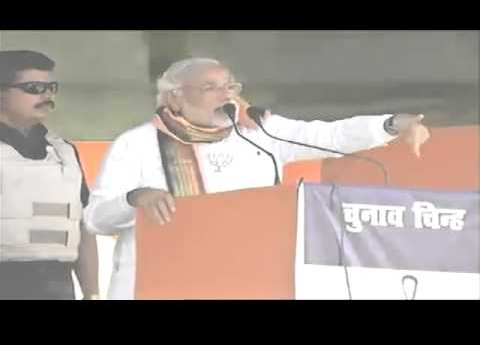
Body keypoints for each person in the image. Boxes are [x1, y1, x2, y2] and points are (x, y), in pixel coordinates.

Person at [83, 57, 430, 300]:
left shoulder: (259, 132)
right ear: (176, 96)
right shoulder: (137, 143)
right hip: (162, 285)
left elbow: (331, 136)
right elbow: (96, 218)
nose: (226, 96)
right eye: (210, 87)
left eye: (229, 86)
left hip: (248, 278)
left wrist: (391, 124)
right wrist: (135, 197)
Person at [0, 50, 99, 300]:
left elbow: (83, 227)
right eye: (34, 88)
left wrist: (92, 293)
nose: (47, 95)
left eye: (51, 87)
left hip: (59, 288)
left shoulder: (64, 151)